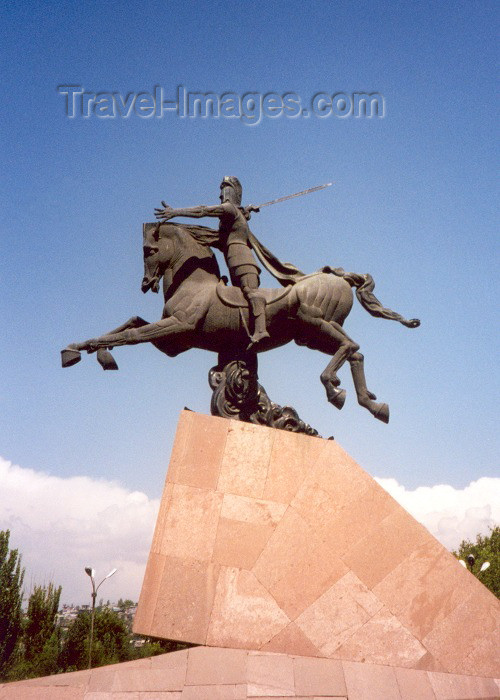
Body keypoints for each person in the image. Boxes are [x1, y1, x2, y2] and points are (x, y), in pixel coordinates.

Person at [154, 176, 270, 347]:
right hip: (232, 263)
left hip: (243, 260)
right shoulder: (231, 217)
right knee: (239, 302)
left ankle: (261, 330)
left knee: (250, 291)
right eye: (221, 190)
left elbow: (202, 211)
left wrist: (176, 212)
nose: (221, 195)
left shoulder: (230, 209)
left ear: (233, 192)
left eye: (225, 189)